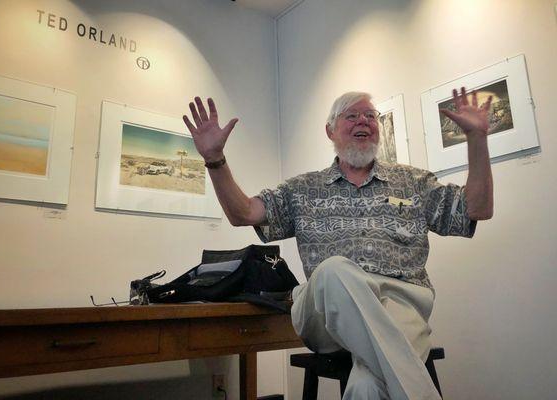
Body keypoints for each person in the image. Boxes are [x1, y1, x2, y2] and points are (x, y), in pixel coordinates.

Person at [183, 88, 493, 400]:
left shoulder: (413, 182)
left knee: (367, 386)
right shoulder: (303, 188)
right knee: (333, 271)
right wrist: (214, 160)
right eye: (352, 115)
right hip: (323, 312)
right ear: (330, 130)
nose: (364, 121)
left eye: (371, 116)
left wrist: (477, 140)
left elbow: (476, 211)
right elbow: (244, 213)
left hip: (400, 305)